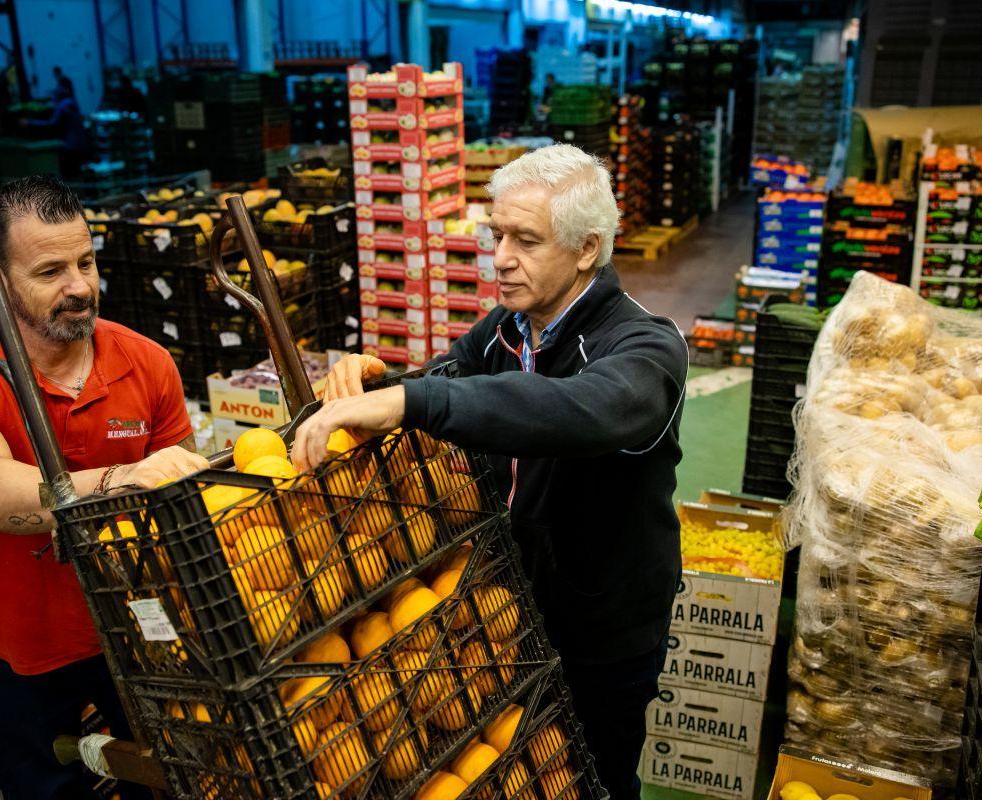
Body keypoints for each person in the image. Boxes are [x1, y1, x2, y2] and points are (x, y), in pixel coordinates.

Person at [294, 144, 688, 799]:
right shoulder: (508, 330)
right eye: (496, 233)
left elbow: (578, 409)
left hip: (602, 628)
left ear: (588, 248)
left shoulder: (645, 348)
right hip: (509, 611)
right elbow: (452, 382)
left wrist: (412, 401)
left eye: (526, 240)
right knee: (521, 775)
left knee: (594, 778)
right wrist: (380, 380)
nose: (500, 256)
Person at [0, 176, 209, 799]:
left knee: (174, 781)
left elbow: (185, 495)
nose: (80, 286)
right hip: (21, 650)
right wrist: (125, 478)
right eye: (50, 271)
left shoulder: (147, 361)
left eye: (86, 262)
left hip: (143, 635)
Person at [25, 83, 91, 178]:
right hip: (81, 144)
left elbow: (51, 124)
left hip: (71, 147)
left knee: (70, 176)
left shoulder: (62, 106)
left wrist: (30, 122)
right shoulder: (72, 103)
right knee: (78, 175)